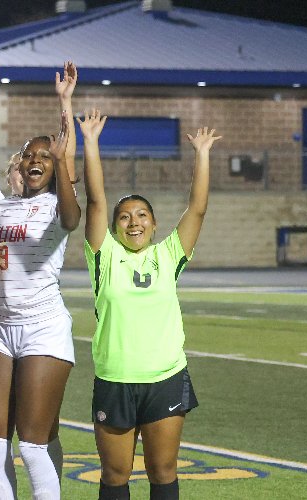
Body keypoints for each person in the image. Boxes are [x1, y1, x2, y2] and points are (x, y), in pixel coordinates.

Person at [80, 109, 219, 500]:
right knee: (115, 474)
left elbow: (197, 209)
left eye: (142, 215)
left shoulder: (168, 254)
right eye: (124, 217)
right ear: (113, 228)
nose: (133, 222)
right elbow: (94, 200)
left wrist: (202, 154)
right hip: (115, 378)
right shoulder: (103, 256)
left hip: (166, 377)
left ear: (155, 225)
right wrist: (90, 141)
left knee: (162, 471)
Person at [0, 62, 81, 500]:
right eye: (29, 154)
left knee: (31, 446)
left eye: (44, 156)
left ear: (56, 167)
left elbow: (73, 216)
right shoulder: (0, 206)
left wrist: (65, 106)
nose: (34, 160)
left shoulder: (55, 206)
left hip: (42, 326)